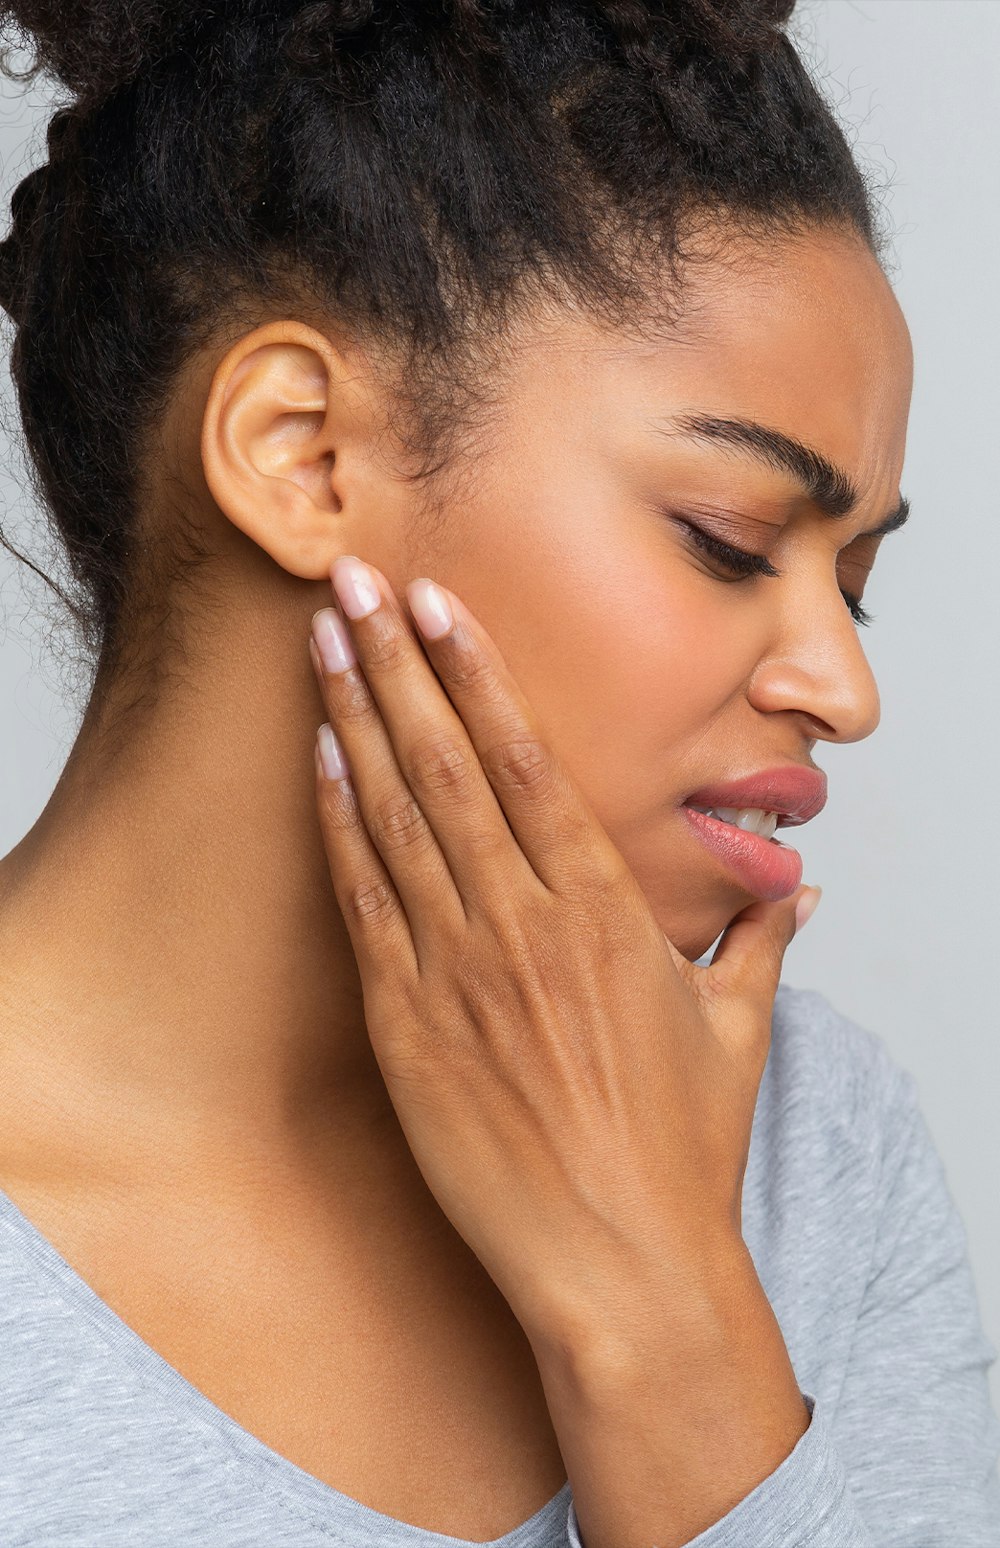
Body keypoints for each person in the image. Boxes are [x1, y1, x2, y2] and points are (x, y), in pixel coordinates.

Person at [0, 1, 996, 1544]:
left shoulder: (817, 1157)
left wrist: (663, 1314)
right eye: (732, 543)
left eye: (851, 584)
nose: (844, 690)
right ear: (304, 455)